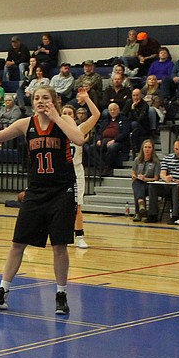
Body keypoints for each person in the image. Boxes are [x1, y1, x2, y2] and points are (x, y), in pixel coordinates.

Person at [0, 85, 86, 316]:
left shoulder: (64, 121)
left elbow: (79, 139)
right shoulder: (26, 124)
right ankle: (2, 292)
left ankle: (61, 294)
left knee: (59, 246)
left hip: (61, 191)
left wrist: (55, 116)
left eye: (46, 97)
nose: (41, 101)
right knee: (17, 243)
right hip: (35, 191)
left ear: (54, 100)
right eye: (37, 98)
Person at [63, 90, 101, 247]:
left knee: (77, 206)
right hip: (60, 173)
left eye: (69, 113)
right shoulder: (55, 131)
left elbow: (96, 115)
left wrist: (87, 99)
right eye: (63, 113)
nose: (66, 115)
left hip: (76, 172)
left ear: (73, 116)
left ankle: (79, 236)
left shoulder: (79, 129)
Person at [159, 138, 179, 224]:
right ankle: (152, 215)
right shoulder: (167, 158)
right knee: (152, 187)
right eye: (176, 149)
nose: (178, 151)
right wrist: (166, 178)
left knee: (177, 187)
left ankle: (175, 216)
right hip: (168, 183)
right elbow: (162, 174)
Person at [131, 138, 161, 222]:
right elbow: (133, 172)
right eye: (145, 147)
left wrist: (146, 179)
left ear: (152, 149)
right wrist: (135, 176)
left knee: (138, 187)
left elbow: (156, 178)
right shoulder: (137, 160)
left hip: (150, 183)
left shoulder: (156, 162)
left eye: (149, 147)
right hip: (139, 182)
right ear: (142, 148)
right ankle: (141, 206)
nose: (147, 149)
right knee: (136, 183)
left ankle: (139, 210)